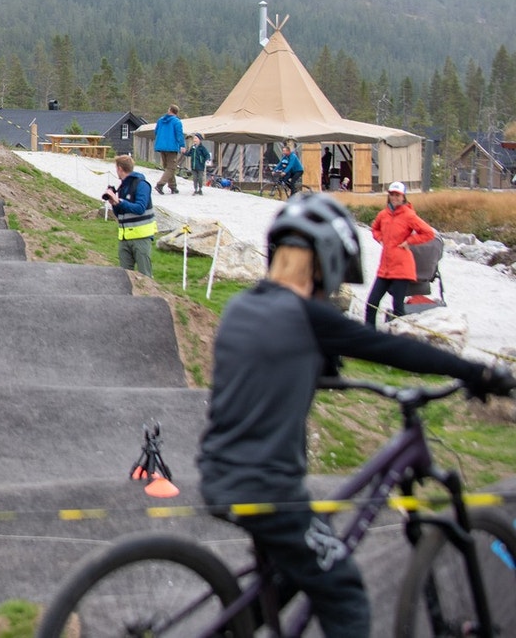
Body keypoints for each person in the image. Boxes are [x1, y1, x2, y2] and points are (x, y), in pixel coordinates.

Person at [196, 192, 511, 638]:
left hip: (218, 474)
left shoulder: (242, 306)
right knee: (344, 593)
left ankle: (243, 623)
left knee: (309, 550)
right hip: (268, 489)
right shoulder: (305, 316)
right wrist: (475, 371)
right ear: (322, 261)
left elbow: (281, 357)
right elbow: (390, 347)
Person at [366, 181, 437, 328]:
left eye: (397, 195)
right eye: (392, 194)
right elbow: (375, 229)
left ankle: (400, 337)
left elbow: (428, 233)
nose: (394, 197)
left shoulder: (409, 215)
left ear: (403, 197)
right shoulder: (383, 214)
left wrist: (409, 241)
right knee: (372, 302)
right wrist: (380, 238)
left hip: (402, 267)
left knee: (397, 306)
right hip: (385, 267)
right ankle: (368, 335)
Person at [102, 154, 155, 277]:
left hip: (141, 237)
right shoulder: (122, 187)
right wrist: (114, 203)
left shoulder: (141, 184)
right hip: (125, 237)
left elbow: (140, 208)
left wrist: (120, 201)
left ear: (120, 168)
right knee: (124, 275)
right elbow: (120, 213)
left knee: (145, 275)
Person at [153, 105, 184, 195]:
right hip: (171, 147)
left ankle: (173, 187)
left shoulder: (160, 120)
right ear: (176, 112)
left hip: (161, 146)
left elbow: (156, 132)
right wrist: (182, 145)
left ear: (170, 110)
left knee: (168, 167)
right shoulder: (177, 122)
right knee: (171, 167)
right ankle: (160, 184)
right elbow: (179, 134)